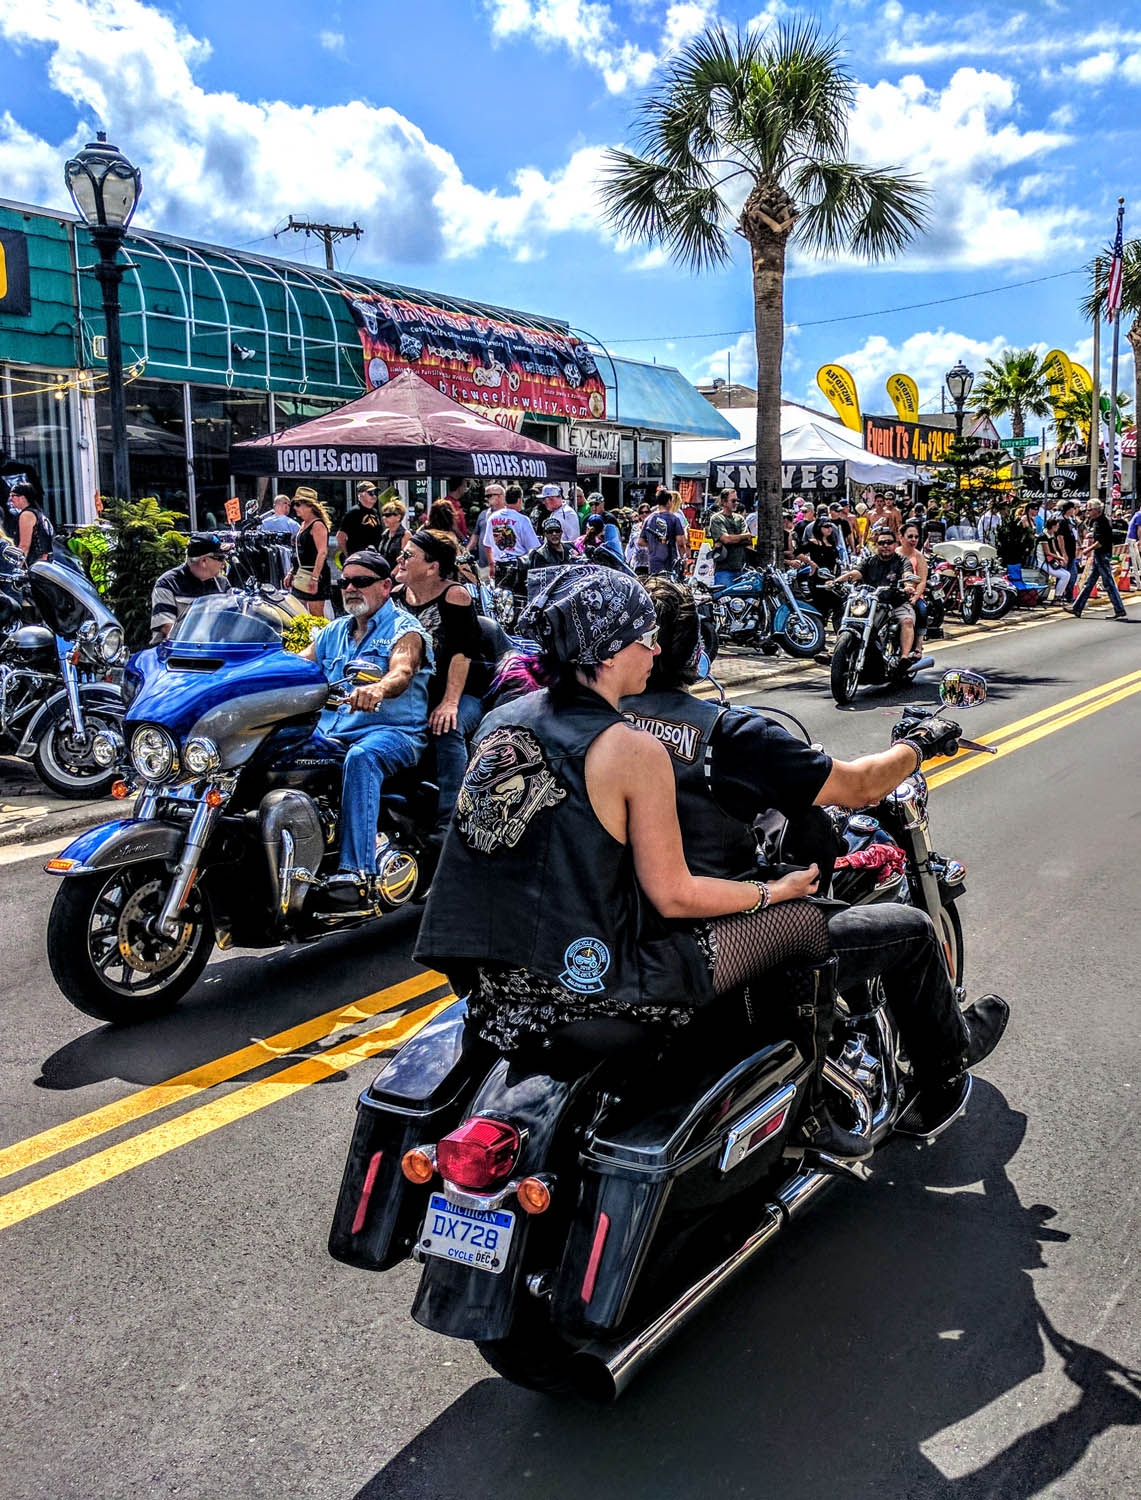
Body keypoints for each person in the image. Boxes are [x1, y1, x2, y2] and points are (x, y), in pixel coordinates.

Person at [413, 565, 857, 1154]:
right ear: (607, 649)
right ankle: (812, 1110)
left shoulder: (501, 721)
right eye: (644, 636)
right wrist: (776, 893)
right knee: (805, 923)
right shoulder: (629, 748)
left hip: (491, 991)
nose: (655, 649)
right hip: (603, 991)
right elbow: (674, 893)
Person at [621, 578, 1009, 1137]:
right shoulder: (728, 732)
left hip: (619, 931)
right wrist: (919, 744)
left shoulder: (594, 722)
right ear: (691, 648)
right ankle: (945, 1069)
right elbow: (858, 787)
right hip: (720, 936)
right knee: (913, 930)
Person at [302, 548, 432, 904]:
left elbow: (402, 670)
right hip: (331, 734)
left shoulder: (405, 629)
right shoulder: (333, 632)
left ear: (386, 586)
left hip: (394, 734)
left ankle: (356, 871)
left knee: (362, 758)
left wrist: (377, 687)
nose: (350, 588)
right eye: (345, 581)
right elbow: (297, 668)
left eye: (361, 582)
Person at [392, 529, 485, 828]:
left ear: (433, 567)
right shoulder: (394, 597)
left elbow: (462, 653)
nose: (400, 559)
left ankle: (451, 823)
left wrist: (449, 702)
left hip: (461, 692)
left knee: (447, 727)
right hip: (411, 693)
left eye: (408, 555)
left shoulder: (454, 595)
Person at [840, 527, 917, 657]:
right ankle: (840, 650)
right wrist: (837, 581)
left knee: (907, 621)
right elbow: (856, 573)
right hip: (871, 603)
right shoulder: (869, 561)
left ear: (895, 544)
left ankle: (904, 657)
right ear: (876, 545)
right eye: (881, 543)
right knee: (845, 615)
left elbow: (907, 574)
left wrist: (908, 585)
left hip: (895, 602)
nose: (885, 546)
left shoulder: (902, 561)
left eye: (889, 542)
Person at [149, 533, 232, 643]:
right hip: (177, 654)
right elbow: (167, 627)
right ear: (204, 561)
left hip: (214, 650)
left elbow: (232, 620)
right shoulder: (168, 583)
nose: (224, 562)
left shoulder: (223, 583)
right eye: (220, 558)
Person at [1066, 500, 1128, 620]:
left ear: (1097, 510)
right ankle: (1077, 607)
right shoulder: (1097, 521)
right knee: (1089, 582)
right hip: (1100, 554)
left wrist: (1087, 550)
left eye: (1090, 510)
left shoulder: (1101, 522)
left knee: (1108, 583)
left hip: (1102, 554)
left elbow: (1100, 542)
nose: (1087, 512)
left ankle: (1119, 609)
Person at [287, 488, 332, 617]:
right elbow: (299, 552)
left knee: (316, 614)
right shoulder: (303, 525)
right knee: (298, 612)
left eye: (298, 504)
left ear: (309, 506)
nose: (295, 508)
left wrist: (315, 577)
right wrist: (291, 572)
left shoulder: (317, 525)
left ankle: (321, 637)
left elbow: (322, 552)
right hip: (301, 573)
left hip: (315, 574)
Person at [488, 486, 540, 576]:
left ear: (505, 499)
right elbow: (533, 547)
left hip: (499, 567)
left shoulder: (492, 517)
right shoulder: (523, 520)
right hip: (518, 568)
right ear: (520, 500)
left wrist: (491, 565)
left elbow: (487, 545)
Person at [708, 489, 750, 588]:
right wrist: (740, 538)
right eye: (733, 501)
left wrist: (731, 539)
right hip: (724, 569)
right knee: (723, 599)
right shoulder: (717, 518)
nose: (736, 503)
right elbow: (726, 539)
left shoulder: (739, 518)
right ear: (724, 502)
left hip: (742, 569)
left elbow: (748, 538)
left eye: (737, 500)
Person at [899, 521, 930, 651]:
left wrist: (916, 597)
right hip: (896, 593)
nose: (913, 540)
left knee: (922, 610)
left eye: (916, 537)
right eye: (910, 536)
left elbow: (922, 580)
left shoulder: (919, 556)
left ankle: (918, 645)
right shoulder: (894, 554)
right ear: (901, 537)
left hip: (914, 595)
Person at [640, 491, 687, 577]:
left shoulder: (649, 519)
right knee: (668, 588)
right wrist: (684, 560)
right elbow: (680, 543)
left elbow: (640, 542)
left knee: (654, 587)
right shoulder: (674, 519)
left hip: (653, 563)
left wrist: (653, 544)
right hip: (669, 563)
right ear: (669, 501)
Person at [8, 481, 54, 563]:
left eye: (13, 495)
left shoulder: (27, 515)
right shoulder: (38, 513)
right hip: (44, 565)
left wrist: (15, 568)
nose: (10, 499)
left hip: (34, 566)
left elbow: (24, 546)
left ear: (22, 497)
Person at [336, 480, 383, 557]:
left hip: (374, 556)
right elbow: (340, 536)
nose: (374, 496)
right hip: (359, 557)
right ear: (361, 494)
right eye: (371, 493)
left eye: (375, 493)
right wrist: (348, 555)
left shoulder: (375, 512)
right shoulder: (354, 512)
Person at [1040, 517, 1072, 603]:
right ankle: (1057, 597)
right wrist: (1060, 558)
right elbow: (1047, 552)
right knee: (1064, 576)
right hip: (1042, 562)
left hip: (1050, 561)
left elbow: (1054, 549)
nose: (1058, 528)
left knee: (1067, 574)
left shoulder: (1052, 536)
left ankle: (1059, 595)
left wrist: (1060, 558)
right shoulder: (1043, 536)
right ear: (1053, 526)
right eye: (1057, 526)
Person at [443, 476, 470, 541]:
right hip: (454, 543)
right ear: (459, 487)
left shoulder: (456, 503)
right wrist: (465, 540)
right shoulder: (448, 503)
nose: (465, 489)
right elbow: (453, 527)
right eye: (464, 486)